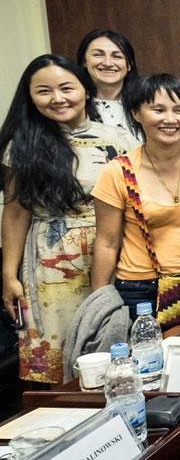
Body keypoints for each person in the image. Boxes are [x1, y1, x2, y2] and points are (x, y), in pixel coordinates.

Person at [0, 55, 137, 384]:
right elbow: (16, 211)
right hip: (49, 266)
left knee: (112, 344)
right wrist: (8, 273)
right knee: (56, 360)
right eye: (44, 91)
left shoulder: (119, 140)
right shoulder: (23, 146)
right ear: (30, 97)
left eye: (66, 88)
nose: (57, 98)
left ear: (85, 90)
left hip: (113, 252)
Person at [92, 74, 180, 316]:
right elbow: (107, 243)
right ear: (136, 113)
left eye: (179, 110)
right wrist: (99, 304)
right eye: (158, 110)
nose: (170, 119)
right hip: (140, 287)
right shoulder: (117, 171)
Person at [76, 29, 139, 135]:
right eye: (98, 55)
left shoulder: (145, 103)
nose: (108, 63)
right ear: (84, 61)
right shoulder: (72, 106)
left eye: (117, 56)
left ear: (129, 65)